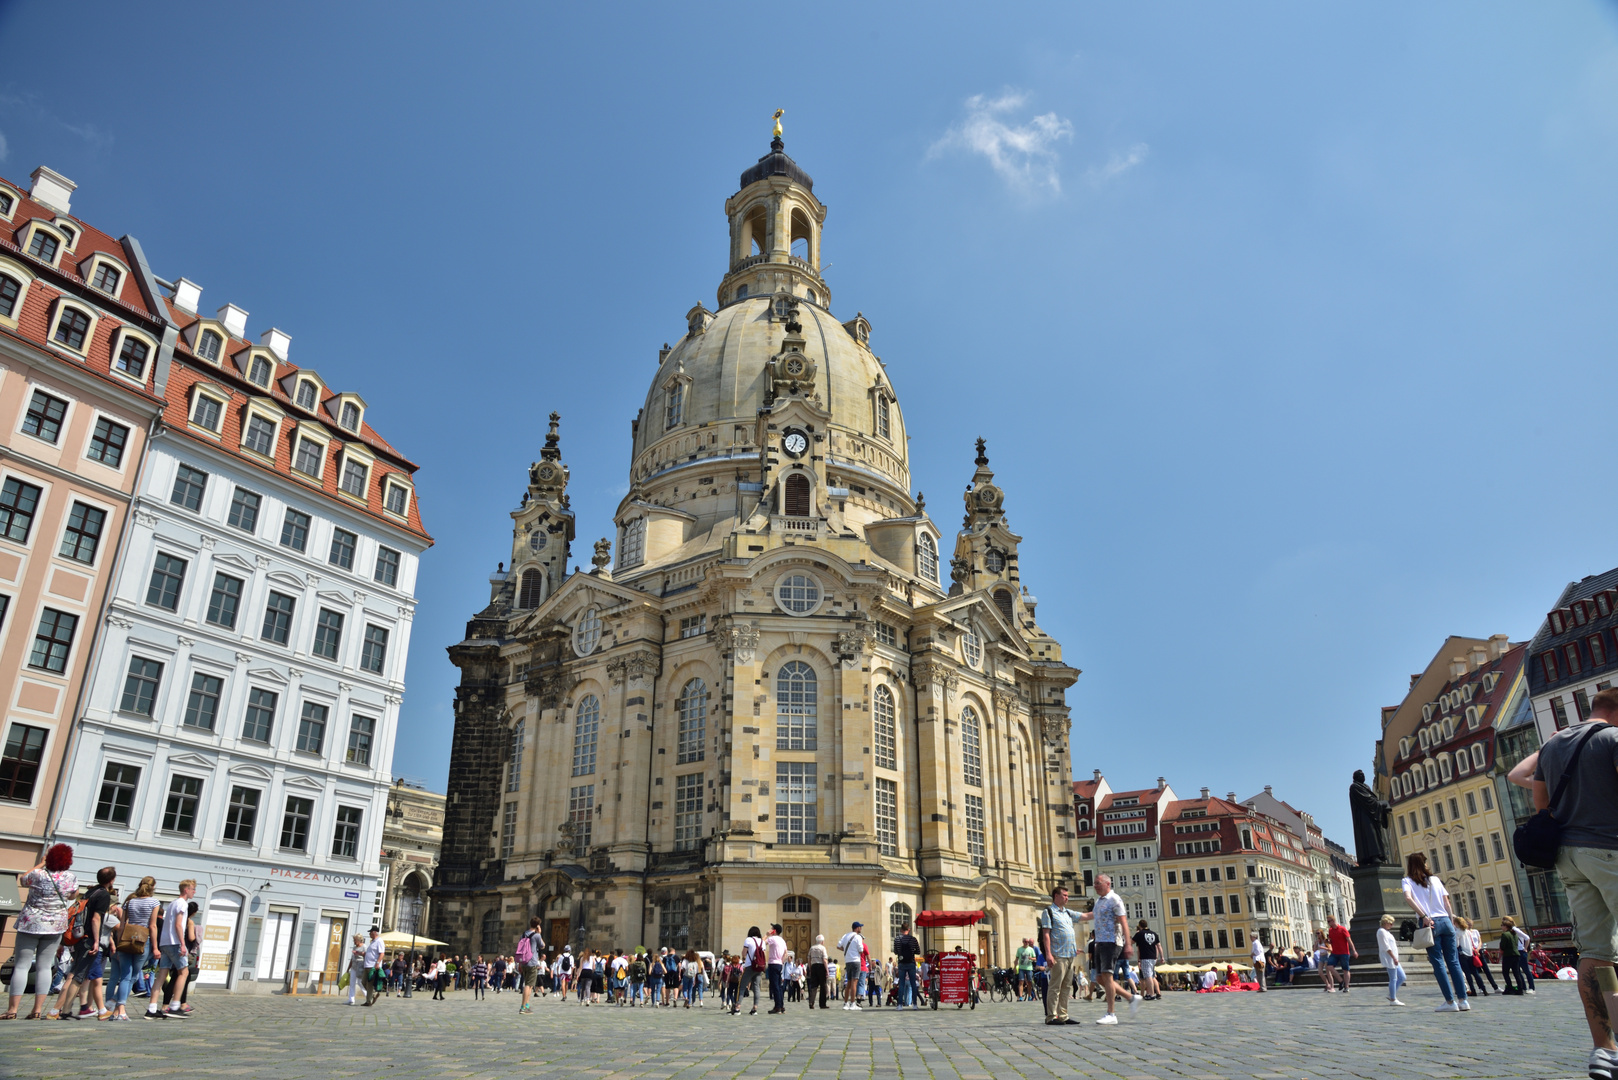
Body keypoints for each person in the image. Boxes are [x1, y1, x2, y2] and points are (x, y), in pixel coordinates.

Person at [1512, 683, 1618, 1080]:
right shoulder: (1613, 739)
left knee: (1594, 952)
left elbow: (1542, 807)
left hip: (1568, 858)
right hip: (1610, 849)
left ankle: (1604, 1051)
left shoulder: (1554, 745)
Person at [5, 843, 77, 1020]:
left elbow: (23, 879)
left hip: (31, 923)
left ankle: (12, 1010)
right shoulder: (69, 876)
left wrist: (41, 863)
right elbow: (72, 895)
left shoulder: (38, 874)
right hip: (54, 926)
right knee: (45, 967)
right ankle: (37, 1010)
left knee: (22, 965)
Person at [1401, 852, 1468, 1012]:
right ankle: (1463, 1000)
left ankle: (1450, 1002)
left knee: (1437, 961)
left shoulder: (1407, 881)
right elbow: (1447, 902)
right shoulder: (1436, 880)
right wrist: (1451, 921)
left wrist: (1423, 915)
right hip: (1445, 920)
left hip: (1429, 922)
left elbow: (1408, 898)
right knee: (1453, 961)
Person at [1078, 875, 1135, 1025]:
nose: (1095, 886)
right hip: (1100, 942)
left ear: (1107, 883)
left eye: (1098, 883)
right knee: (1098, 978)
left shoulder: (1114, 899)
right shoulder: (1099, 901)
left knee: (1107, 976)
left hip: (1111, 941)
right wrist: (1073, 915)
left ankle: (1111, 1014)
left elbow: (1124, 922)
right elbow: (1091, 915)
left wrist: (1128, 944)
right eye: (1094, 883)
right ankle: (1130, 998)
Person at [1038, 883, 1080, 1026]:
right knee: (1055, 986)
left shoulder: (1067, 913)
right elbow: (1046, 935)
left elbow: (1084, 916)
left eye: (1068, 895)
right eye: (1065, 895)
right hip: (1058, 955)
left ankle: (1063, 1015)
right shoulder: (1048, 911)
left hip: (1070, 955)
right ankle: (1051, 1016)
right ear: (1056, 896)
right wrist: (1048, 954)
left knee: (1066, 986)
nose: (1067, 898)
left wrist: (1102, 910)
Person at [1375, 913, 1407, 1006]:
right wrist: (1393, 957)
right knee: (1393, 978)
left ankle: (1391, 994)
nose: (1392, 925)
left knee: (1402, 977)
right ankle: (1393, 999)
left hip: (1394, 958)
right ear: (1386, 922)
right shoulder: (1381, 931)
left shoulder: (1386, 932)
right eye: (1391, 923)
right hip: (1389, 958)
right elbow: (1386, 946)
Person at [837, 921, 866, 1011]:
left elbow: (838, 946)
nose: (861, 928)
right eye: (860, 927)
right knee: (854, 983)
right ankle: (853, 1003)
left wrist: (846, 950)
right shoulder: (858, 937)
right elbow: (861, 950)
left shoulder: (845, 935)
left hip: (848, 961)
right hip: (856, 961)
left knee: (849, 983)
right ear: (857, 928)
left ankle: (846, 1004)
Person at [1132, 921, 1163, 1001]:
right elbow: (1159, 946)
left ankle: (1152, 994)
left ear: (1140, 926)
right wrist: (1161, 957)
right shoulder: (1154, 934)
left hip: (1145, 957)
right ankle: (1150, 993)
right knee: (1151, 976)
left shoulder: (1140, 934)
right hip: (1153, 958)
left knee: (1148, 976)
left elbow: (1131, 942)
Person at [1325, 915, 1357, 993]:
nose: (1328, 923)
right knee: (1329, 966)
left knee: (1345, 970)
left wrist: (1354, 950)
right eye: (1327, 921)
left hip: (1344, 952)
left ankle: (1346, 986)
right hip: (1334, 952)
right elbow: (1331, 940)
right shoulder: (1330, 930)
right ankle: (1340, 980)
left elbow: (1349, 940)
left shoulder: (1343, 929)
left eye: (1329, 921)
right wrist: (1329, 942)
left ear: (1333, 921)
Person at [892, 923, 921, 1009]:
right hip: (911, 963)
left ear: (901, 930)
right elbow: (918, 951)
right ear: (909, 930)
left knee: (901, 984)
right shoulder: (913, 939)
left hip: (901, 963)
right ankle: (915, 1004)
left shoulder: (897, 939)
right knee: (913, 984)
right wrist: (912, 952)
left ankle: (900, 1005)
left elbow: (896, 952)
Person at [764, 925, 788, 1013]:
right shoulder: (782, 940)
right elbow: (786, 953)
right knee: (779, 986)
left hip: (773, 963)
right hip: (779, 964)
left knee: (775, 986)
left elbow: (761, 944)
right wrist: (781, 961)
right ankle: (781, 1006)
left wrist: (766, 935)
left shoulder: (772, 939)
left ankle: (778, 1007)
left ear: (774, 931)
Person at [805, 934, 830, 1009]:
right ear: (822, 941)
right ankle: (822, 1004)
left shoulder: (812, 948)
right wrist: (827, 970)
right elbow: (825, 960)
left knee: (813, 986)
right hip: (821, 966)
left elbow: (809, 958)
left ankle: (811, 1002)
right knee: (823, 986)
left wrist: (810, 967)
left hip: (814, 966)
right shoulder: (823, 948)